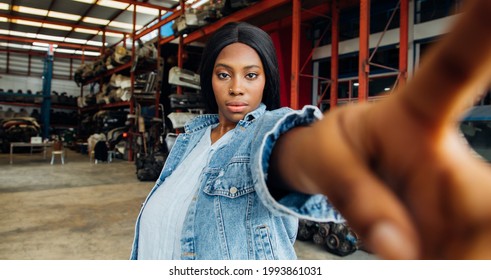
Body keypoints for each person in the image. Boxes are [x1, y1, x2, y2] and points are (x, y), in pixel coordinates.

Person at [131, 0, 491, 259]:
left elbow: (292, 152)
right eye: (224, 74)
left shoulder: (264, 131)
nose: (237, 87)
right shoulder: (190, 137)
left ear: (266, 80)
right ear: (210, 78)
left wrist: (345, 152)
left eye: (251, 75)